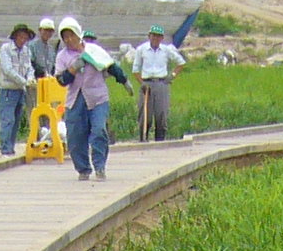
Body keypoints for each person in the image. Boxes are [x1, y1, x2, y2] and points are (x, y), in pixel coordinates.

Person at [54, 20, 113, 182]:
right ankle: (83, 168)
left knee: (99, 129)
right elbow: (61, 80)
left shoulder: (93, 50)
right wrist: (73, 68)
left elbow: (110, 66)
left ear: (78, 34)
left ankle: (99, 166)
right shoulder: (62, 57)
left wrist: (123, 79)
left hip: (97, 97)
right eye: (65, 37)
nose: (69, 40)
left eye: (71, 35)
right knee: (75, 135)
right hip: (75, 98)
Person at [127, 24, 185, 142]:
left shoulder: (166, 50)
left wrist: (172, 76)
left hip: (161, 83)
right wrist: (141, 82)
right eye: (153, 36)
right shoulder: (141, 49)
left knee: (161, 114)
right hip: (146, 84)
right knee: (145, 115)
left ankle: (160, 141)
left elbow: (181, 63)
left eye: (158, 37)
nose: (155, 39)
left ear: (162, 38)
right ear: (149, 36)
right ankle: (143, 140)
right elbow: (136, 69)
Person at [0, 22, 38, 157]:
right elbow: (7, 70)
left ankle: (11, 148)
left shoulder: (26, 50)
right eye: (20, 36)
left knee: (16, 119)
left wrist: (31, 78)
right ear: (15, 36)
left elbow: (29, 67)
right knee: (7, 119)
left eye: (25, 37)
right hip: (8, 89)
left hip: (21, 90)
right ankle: (5, 149)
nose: (23, 39)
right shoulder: (5, 49)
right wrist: (24, 81)